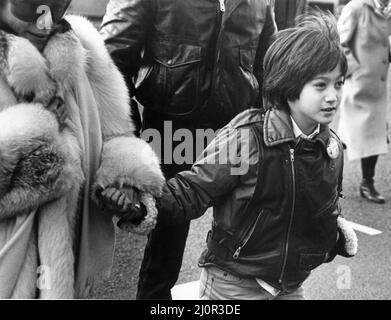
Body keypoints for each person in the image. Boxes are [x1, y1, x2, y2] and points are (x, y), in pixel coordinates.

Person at [102, 11, 358, 300]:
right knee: (164, 251)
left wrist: (332, 237)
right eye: (321, 85)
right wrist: (139, 202)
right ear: (290, 84)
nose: (333, 96)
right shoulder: (248, 139)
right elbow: (191, 191)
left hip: (288, 285)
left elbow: (321, 205)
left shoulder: (330, 148)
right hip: (233, 283)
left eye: (338, 84)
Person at [100, 0, 277, 299]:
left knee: (249, 238)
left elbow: (273, 63)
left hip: (237, 130)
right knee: (165, 244)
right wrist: (127, 137)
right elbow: (111, 60)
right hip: (171, 127)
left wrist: (272, 129)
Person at [0, 0, 164, 299]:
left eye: (58, 6)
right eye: (31, 7)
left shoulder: (85, 45)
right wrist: (39, 128)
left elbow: (116, 134)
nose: (46, 22)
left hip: (72, 267)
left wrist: (122, 183)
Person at [337, 0, 391, 204]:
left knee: (373, 134)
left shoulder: (388, 10)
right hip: (358, 83)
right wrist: (353, 69)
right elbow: (340, 42)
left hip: (378, 83)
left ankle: (367, 182)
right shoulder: (357, 8)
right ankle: (332, 182)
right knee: (350, 134)